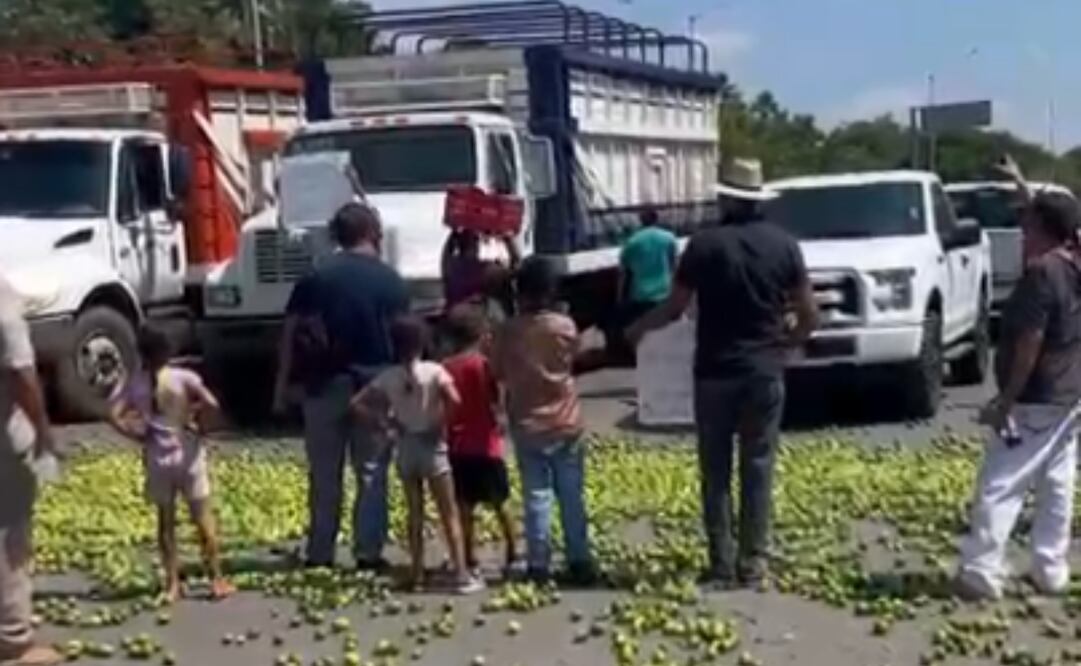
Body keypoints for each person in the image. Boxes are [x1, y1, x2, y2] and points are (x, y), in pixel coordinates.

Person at [627, 158, 818, 587]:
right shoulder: (785, 246)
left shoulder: (704, 245)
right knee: (758, 465)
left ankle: (720, 563)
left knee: (715, 471)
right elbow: (809, 314)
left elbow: (675, 307)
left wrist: (639, 328)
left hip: (714, 372)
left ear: (728, 199)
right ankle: (753, 563)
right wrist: (787, 344)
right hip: (763, 372)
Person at [957, 155, 1081, 600]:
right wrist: (1023, 187)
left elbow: (1029, 342)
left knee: (1002, 480)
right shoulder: (1074, 260)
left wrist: (1004, 400)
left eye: (1028, 223)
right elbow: (1060, 220)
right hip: (1069, 396)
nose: (1022, 231)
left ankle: (981, 570)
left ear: (1042, 230)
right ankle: (1050, 568)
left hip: (1034, 396)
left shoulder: (1041, 274)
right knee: (1057, 480)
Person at [272, 202, 409, 569]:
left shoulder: (315, 277)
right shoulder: (390, 279)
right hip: (375, 387)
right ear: (372, 232)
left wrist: (283, 385)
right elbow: (405, 340)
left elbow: (290, 334)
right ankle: (368, 552)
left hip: (323, 385)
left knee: (325, 474)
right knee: (372, 473)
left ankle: (320, 552)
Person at [350, 316, 483, 594]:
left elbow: (357, 404)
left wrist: (386, 424)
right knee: (449, 513)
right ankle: (461, 573)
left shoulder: (388, 377)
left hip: (406, 445)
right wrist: (442, 422)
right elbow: (455, 400)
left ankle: (417, 573)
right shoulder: (434, 371)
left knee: (415, 513)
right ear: (423, 343)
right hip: (432, 446)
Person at [108, 325, 234, 603]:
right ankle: (216, 579)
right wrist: (202, 425)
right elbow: (212, 404)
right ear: (168, 351)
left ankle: (173, 584)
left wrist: (137, 433)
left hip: (157, 457)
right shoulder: (184, 378)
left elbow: (113, 414)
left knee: (166, 524)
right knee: (203, 519)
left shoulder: (136, 383)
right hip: (187, 454)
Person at [492, 256, 595, 585]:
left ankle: (538, 563)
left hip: (526, 423)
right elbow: (574, 356)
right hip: (566, 421)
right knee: (571, 494)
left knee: (537, 495)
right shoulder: (563, 327)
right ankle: (579, 560)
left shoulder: (508, 331)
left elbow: (496, 370)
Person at [0, 275, 62, 665]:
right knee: (10, 535)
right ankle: (12, 638)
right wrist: (43, 431)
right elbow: (21, 374)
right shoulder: (4, 309)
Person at [442, 304, 519, 576]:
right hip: (487, 445)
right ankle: (513, 550)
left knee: (464, 505)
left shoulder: (446, 367)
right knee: (501, 501)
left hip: (458, 446)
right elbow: (495, 398)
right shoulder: (483, 366)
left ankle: (469, 553)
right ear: (483, 335)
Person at [611, 207, 678, 363]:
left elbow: (623, 273)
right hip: (664, 292)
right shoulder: (668, 238)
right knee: (663, 328)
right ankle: (663, 357)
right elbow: (674, 265)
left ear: (641, 220)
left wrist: (619, 297)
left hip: (641, 293)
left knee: (642, 329)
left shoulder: (632, 242)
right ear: (657, 219)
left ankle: (644, 358)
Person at [441, 229, 520, 320]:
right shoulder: (484, 269)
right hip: (476, 325)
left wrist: (454, 232)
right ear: (476, 243)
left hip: (452, 322)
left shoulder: (451, 267)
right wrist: (508, 239)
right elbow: (517, 269)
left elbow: (446, 254)